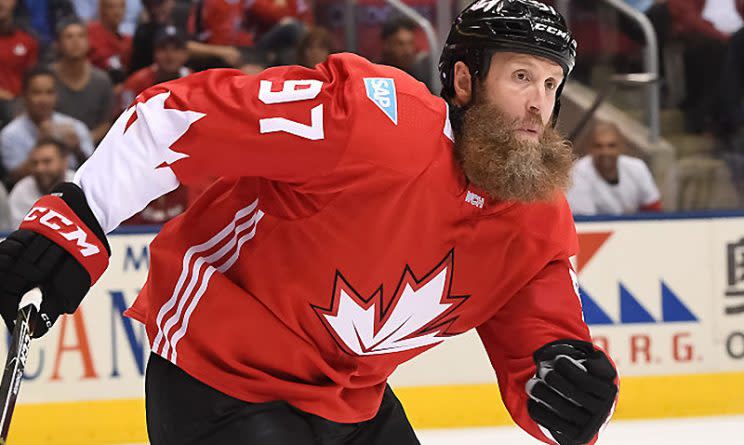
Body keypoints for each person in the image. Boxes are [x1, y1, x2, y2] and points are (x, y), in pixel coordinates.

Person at [0, 2, 618, 445]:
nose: (540, 102)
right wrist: (75, 217)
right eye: (520, 76)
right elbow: (177, 120)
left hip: (353, 401)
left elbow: (541, 347)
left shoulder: (535, 211)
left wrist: (570, 399)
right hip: (224, 375)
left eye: (551, 82)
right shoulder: (376, 122)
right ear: (464, 79)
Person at [0, 66, 93, 186]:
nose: (44, 99)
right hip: (28, 196)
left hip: (74, 194)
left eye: (49, 92)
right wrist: (41, 142)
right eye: (37, 93)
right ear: (24, 96)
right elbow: (13, 178)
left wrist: (77, 149)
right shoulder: (10, 134)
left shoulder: (75, 127)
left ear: (56, 96)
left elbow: (93, 172)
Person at [567, 121, 661, 215]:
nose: (605, 152)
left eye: (611, 146)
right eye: (598, 146)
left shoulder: (638, 167)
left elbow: (654, 209)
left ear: (621, 147)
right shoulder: (577, 172)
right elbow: (586, 221)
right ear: (590, 148)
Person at [52, 18, 115, 145]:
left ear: (89, 42)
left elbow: (106, 123)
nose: (75, 41)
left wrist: (84, 142)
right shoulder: (47, 78)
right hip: (52, 144)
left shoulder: (102, 80)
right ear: (58, 44)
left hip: (91, 150)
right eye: (69, 37)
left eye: (81, 36)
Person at [8, 137, 74, 226]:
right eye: (35, 163)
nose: (39, 169)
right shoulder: (22, 190)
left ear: (64, 161)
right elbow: (18, 231)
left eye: (47, 162)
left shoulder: (77, 183)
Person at [87, 0, 133, 86]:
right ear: (102, 10)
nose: (117, 12)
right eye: (111, 7)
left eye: (121, 7)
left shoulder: (128, 41)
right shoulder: (89, 33)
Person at [380, 16, 433, 90]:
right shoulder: (377, 76)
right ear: (387, 44)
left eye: (410, 43)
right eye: (400, 44)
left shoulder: (418, 80)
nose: (408, 50)